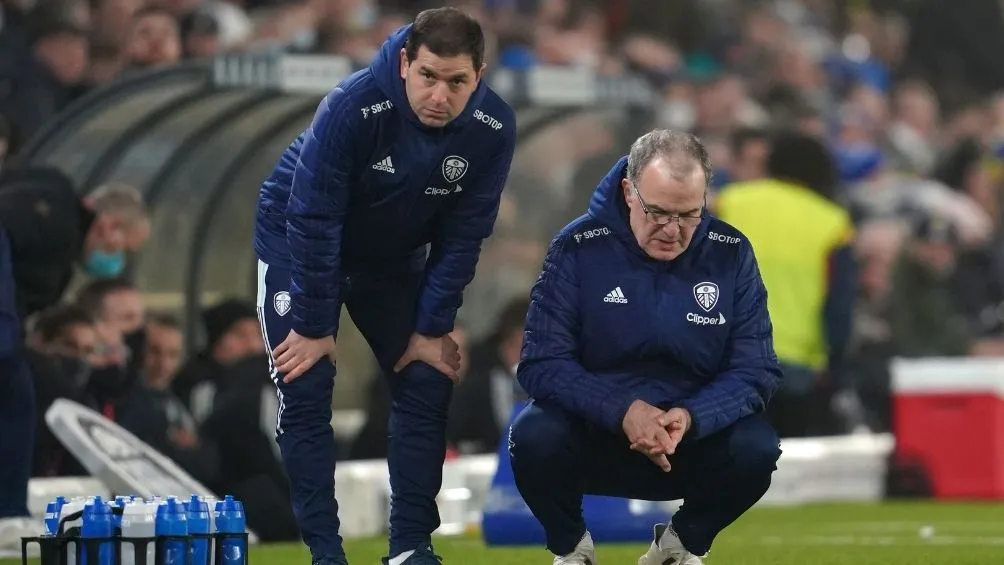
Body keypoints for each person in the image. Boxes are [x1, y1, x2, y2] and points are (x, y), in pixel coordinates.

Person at [252, 7, 516, 565]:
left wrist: (431, 327)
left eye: (457, 82)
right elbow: (315, 218)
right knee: (306, 379)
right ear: (404, 64)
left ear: (480, 74)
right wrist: (316, 326)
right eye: (428, 77)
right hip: (297, 240)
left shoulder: (494, 127)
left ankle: (410, 548)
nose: (440, 95)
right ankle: (326, 553)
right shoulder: (352, 105)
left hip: (390, 258)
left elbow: (464, 235)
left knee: (427, 373)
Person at [508, 130, 782, 565]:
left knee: (758, 449)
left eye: (689, 215)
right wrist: (623, 411)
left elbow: (757, 370)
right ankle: (571, 549)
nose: (672, 230)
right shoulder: (577, 248)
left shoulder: (731, 253)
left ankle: (680, 546)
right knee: (532, 436)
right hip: (596, 435)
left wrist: (692, 417)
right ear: (628, 192)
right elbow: (542, 363)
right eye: (658, 212)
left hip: (689, 441)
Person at [0, 174, 149, 546]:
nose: (119, 260)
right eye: (123, 248)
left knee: (16, 388)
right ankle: (7, 514)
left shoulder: (59, 268)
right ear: (109, 224)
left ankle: (8, 511)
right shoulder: (56, 208)